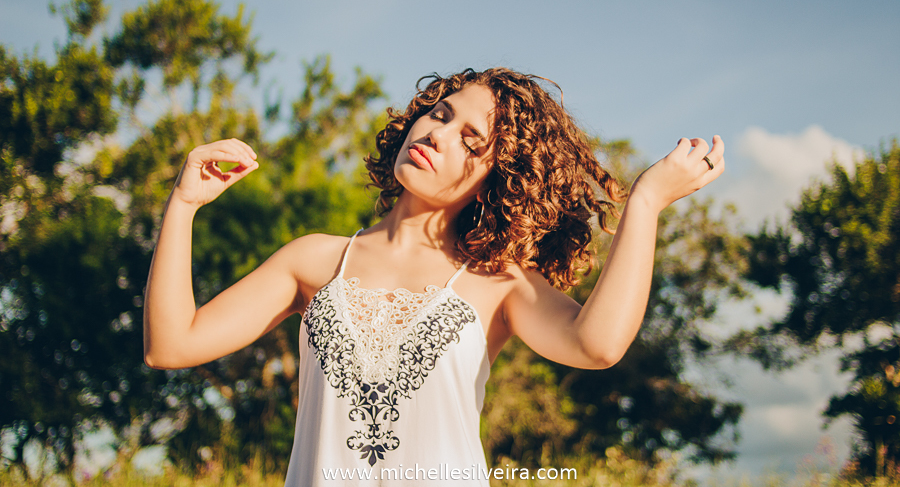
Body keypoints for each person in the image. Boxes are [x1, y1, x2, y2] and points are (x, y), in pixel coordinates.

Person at [143, 67, 724, 486]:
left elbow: (596, 345)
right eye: (440, 114)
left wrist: (645, 202)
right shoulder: (313, 260)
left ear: (498, 179)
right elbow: (172, 345)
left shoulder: (499, 284)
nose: (437, 135)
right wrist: (184, 205)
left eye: (472, 141)